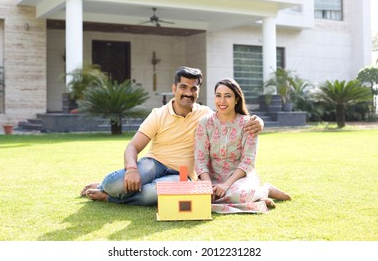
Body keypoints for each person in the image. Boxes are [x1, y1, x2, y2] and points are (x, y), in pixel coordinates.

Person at [81, 67, 264, 206]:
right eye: (183, 87)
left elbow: (231, 115)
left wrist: (259, 123)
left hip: (183, 174)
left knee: (149, 194)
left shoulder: (206, 116)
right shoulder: (158, 114)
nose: (188, 93)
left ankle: (110, 197)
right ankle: (107, 186)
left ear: (198, 91)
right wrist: (131, 169)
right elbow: (132, 147)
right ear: (174, 88)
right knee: (115, 183)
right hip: (154, 163)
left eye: (193, 89)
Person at [194, 78, 291, 214]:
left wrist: (226, 185)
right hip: (211, 178)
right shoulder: (205, 123)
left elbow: (248, 161)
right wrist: (207, 185)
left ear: (236, 100)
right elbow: (200, 159)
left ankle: (265, 190)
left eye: (228, 96)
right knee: (200, 198)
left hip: (238, 179)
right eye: (218, 95)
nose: (222, 101)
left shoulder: (249, 124)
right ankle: (258, 200)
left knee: (241, 194)